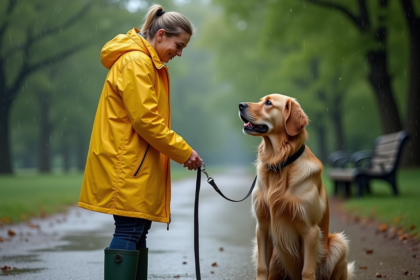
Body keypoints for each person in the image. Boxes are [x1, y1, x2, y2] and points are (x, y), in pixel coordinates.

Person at [77, 4, 202, 279]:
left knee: (137, 230)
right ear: (160, 36)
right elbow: (146, 120)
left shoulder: (147, 62)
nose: (179, 53)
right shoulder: (136, 62)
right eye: (178, 45)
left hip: (134, 165)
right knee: (129, 230)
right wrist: (184, 151)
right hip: (126, 165)